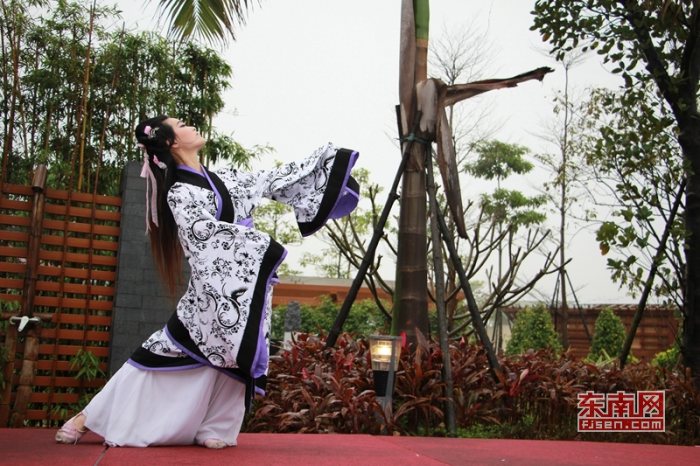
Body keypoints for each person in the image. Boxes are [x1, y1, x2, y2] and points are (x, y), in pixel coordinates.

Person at [54, 115, 360, 448]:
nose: (190, 124)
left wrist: (322, 165)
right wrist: (258, 245)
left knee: (234, 356)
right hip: (210, 290)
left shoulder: (225, 178)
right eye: (182, 124)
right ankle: (88, 416)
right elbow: (203, 236)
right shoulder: (180, 193)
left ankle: (214, 428)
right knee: (164, 350)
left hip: (240, 287)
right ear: (171, 141)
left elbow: (268, 180)